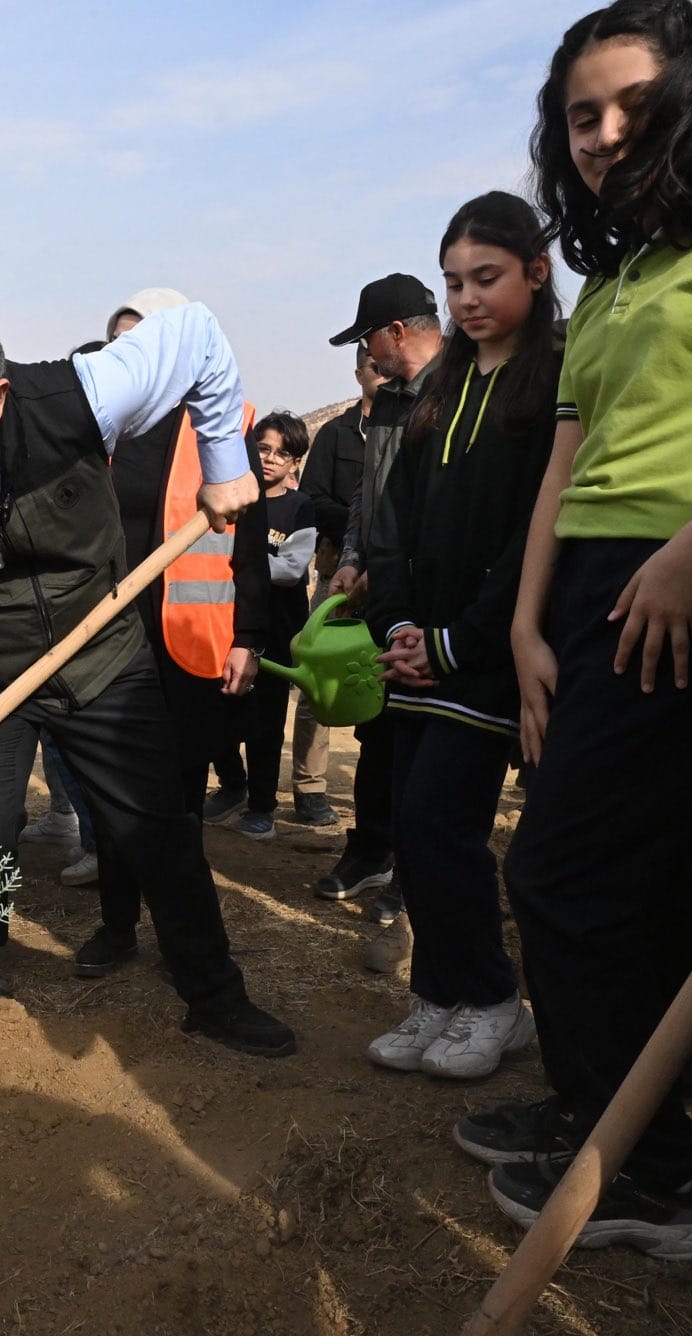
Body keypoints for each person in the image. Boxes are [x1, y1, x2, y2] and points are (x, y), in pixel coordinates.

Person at [455, 0, 692, 1263]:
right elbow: (563, 467)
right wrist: (525, 624)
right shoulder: (615, 277)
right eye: (580, 116)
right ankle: (605, 1109)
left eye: (632, 104)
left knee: (561, 872)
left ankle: (654, 1176)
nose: (602, 134)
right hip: (587, 585)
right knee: (655, 864)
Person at [0, 302, 296, 1132]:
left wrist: (227, 463)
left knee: (159, 830)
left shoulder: (81, 396)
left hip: (100, 651)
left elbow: (197, 333)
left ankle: (215, 996)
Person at [362, 191, 560, 1080]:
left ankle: (492, 1000)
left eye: (487, 277)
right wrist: (401, 623)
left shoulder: (552, 385)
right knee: (412, 829)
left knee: (444, 825)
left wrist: (459, 641)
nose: (468, 298)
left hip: (485, 657)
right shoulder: (438, 388)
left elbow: (532, 539)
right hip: (420, 651)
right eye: (453, 283)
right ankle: (436, 995)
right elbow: (393, 523)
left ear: (536, 273)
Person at [78, 288, 267, 978]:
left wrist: (248, 637)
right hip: (109, 640)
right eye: (119, 345)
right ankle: (117, 926)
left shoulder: (219, 428)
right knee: (110, 793)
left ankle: (181, 940)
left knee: (179, 802)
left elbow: (248, 550)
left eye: (142, 342)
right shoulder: (96, 428)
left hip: (188, 642)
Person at [317, 274, 446, 973]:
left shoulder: (461, 390)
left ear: (396, 330)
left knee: (425, 743)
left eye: (367, 338)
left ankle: (413, 879)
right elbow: (372, 489)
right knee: (380, 732)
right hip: (381, 594)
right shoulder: (388, 401)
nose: (364, 353)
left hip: (434, 599)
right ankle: (372, 850)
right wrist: (354, 560)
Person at [290, 345, 386, 830]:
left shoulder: (414, 423)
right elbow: (312, 497)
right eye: (374, 368)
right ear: (359, 373)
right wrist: (359, 527)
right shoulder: (334, 433)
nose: (382, 376)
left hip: (390, 575)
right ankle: (309, 787)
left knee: (380, 677)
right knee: (318, 680)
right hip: (338, 574)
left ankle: (377, 790)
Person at [217, 412, 317, 841]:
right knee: (220, 711)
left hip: (277, 632)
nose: (271, 459)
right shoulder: (233, 498)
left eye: (282, 453)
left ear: (295, 463)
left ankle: (262, 807)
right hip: (231, 627)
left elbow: (292, 570)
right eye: (263, 448)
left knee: (265, 723)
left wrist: (243, 564)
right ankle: (231, 785)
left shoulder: (299, 507)